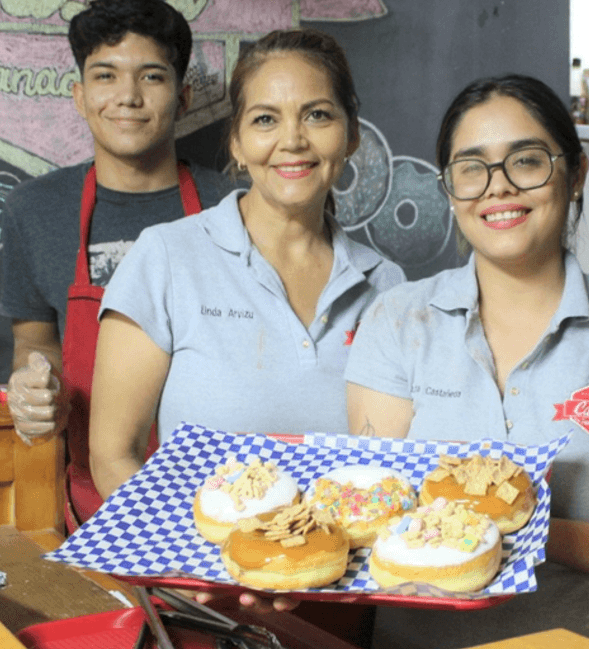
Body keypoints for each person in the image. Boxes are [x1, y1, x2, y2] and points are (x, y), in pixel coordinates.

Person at [346, 74, 589, 649]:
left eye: (527, 160)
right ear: (449, 189)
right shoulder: (397, 320)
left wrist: (514, 528)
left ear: (577, 174)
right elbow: (375, 514)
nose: (499, 188)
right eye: (471, 167)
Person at [89, 27, 405, 499]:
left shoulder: (387, 286)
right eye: (265, 120)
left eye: (317, 115)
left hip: (341, 565)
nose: (292, 140)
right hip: (199, 563)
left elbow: (389, 466)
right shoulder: (165, 259)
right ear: (236, 142)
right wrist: (192, 551)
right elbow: (113, 456)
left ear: (351, 134)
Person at [0, 0, 233, 529]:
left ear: (184, 96)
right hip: (92, 507)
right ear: (81, 96)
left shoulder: (236, 209)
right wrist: (35, 389)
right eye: (105, 76)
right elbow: (35, 343)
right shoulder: (34, 211)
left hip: (221, 498)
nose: (127, 96)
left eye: (151, 77)